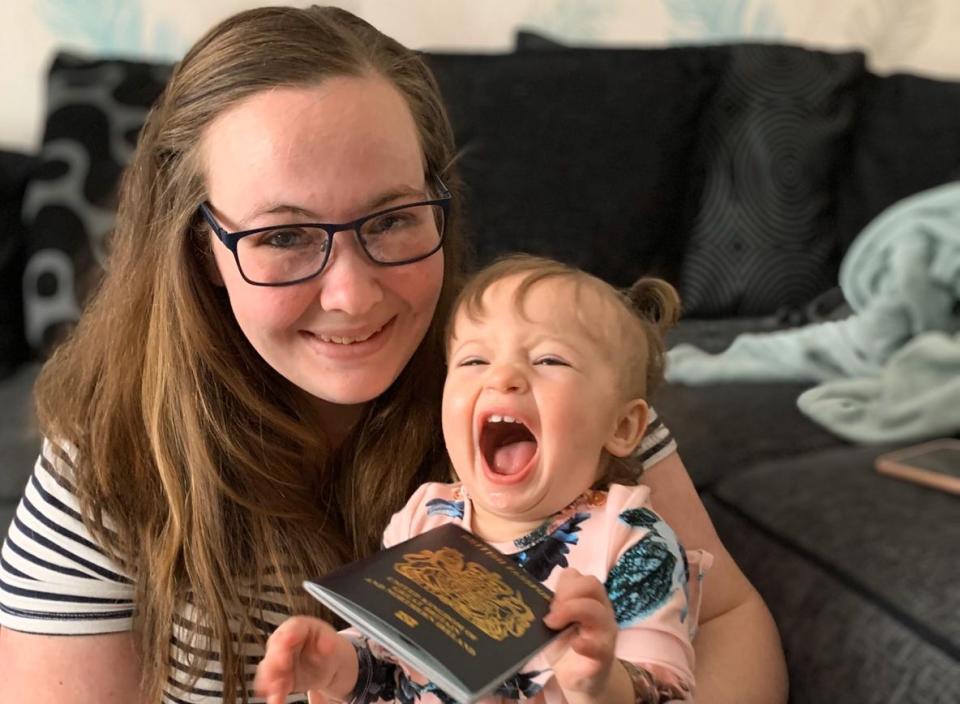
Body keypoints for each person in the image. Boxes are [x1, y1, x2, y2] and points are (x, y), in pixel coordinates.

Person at [0, 6, 786, 704]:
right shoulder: (104, 465)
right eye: (282, 236)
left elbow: (727, 621)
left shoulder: (551, 394)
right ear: (201, 248)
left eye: (393, 219)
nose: (352, 294)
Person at [255, 255, 712, 704]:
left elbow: (664, 689)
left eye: (550, 359)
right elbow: (391, 667)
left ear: (623, 427)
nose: (504, 377)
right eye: (475, 361)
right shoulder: (425, 516)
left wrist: (597, 680)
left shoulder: (629, 538)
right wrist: (333, 664)